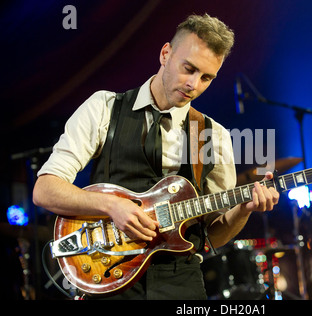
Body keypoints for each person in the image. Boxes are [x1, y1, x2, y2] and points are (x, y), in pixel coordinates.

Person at [33, 13, 279, 300]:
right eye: (189, 69)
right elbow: (45, 190)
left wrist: (243, 210)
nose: (194, 85)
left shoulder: (214, 135)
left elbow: (212, 236)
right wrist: (111, 206)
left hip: (181, 283)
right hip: (109, 274)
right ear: (165, 54)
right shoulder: (103, 107)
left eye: (206, 78)